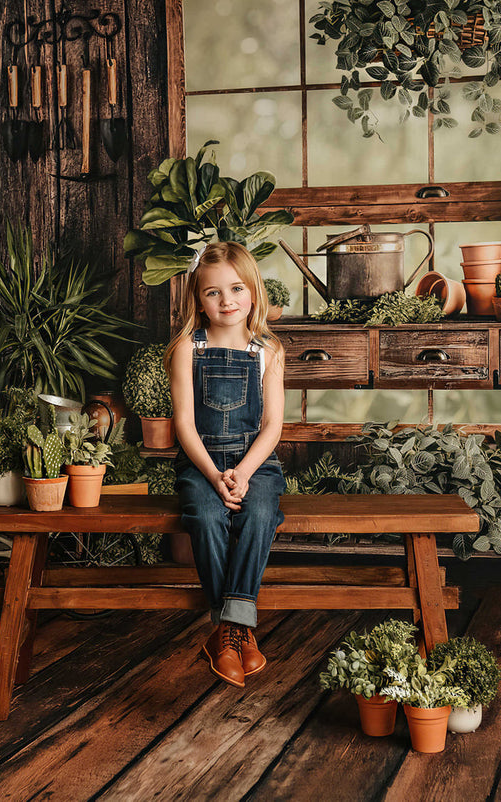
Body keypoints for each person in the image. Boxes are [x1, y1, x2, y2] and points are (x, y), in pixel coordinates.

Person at [167, 241, 286, 688]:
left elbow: (273, 426)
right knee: (203, 513)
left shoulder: (267, 350)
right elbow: (184, 424)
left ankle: (226, 630)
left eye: (236, 288)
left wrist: (245, 473)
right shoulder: (188, 347)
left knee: (259, 512)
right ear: (199, 300)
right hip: (202, 462)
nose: (227, 301)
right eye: (213, 292)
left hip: (256, 463)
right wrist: (215, 476)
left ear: (253, 290)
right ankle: (238, 631)